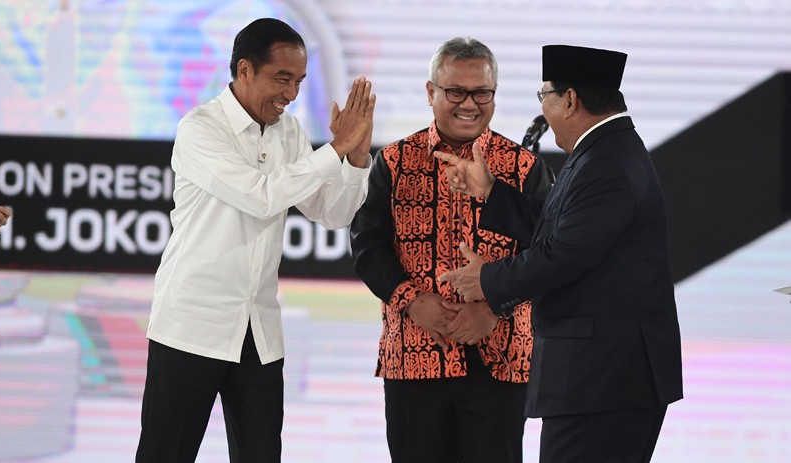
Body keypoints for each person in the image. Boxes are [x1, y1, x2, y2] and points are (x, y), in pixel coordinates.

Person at [136, 18, 375, 463]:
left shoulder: (289, 132)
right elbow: (261, 197)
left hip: (259, 331)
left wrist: (357, 158)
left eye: (300, 81)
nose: (291, 94)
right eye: (281, 78)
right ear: (244, 70)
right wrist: (335, 150)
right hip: (191, 326)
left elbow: (332, 212)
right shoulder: (200, 129)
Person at [436, 44, 683, 463]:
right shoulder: (605, 151)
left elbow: (564, 256)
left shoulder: (605, 162)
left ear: (569, 101)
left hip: (603, 380)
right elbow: (564, 232)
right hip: (606, 378)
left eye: (544, 97)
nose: (543, 111)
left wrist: (487, 280)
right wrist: (492, 192)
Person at [350, 37, 552, 463]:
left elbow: (550, 256)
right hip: (414, 357)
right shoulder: (394, 162)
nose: (469, 104)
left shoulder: (525, 168)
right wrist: (412, 302)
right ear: (431, 93)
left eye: (481, 93)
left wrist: (494, 306)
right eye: (455, 91)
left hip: (500, 361)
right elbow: (367, 245)